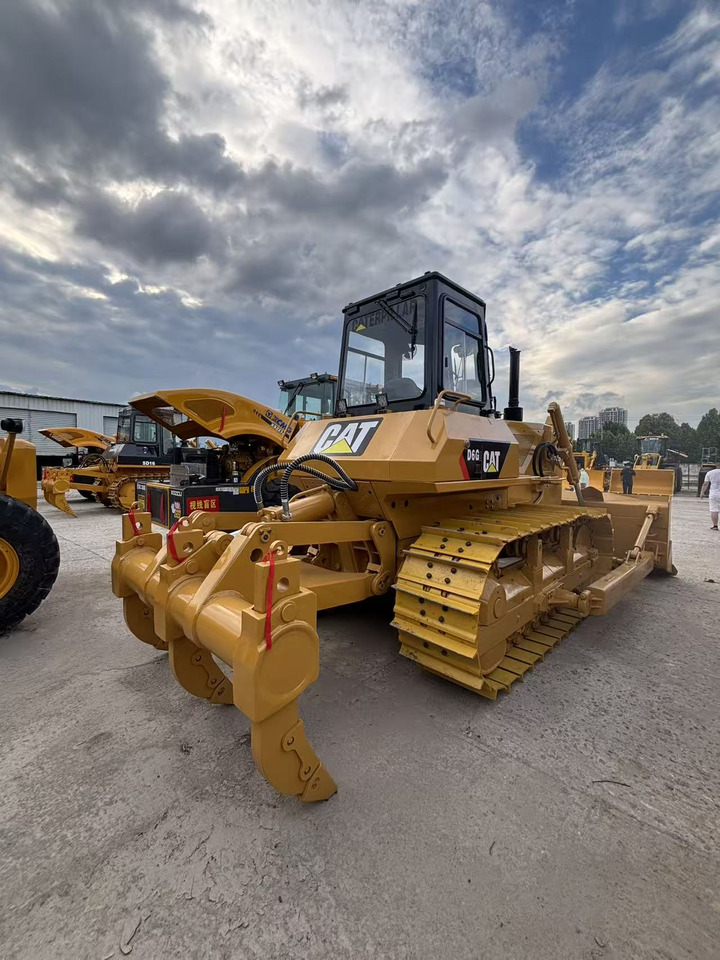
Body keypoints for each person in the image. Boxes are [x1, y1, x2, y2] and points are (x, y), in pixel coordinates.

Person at [700, 466, 720, 530]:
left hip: (714, 494)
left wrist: (702, 492)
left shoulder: (710, 473)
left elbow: (705, 483)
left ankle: (715, 525)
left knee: (714, 510)